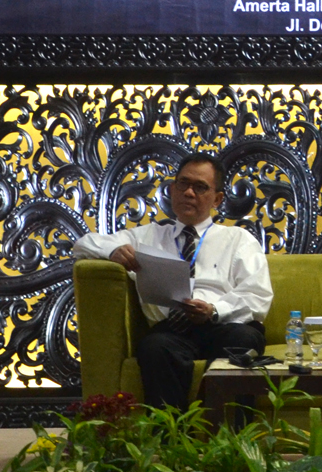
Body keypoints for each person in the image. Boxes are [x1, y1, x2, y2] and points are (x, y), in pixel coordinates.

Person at [73, 152, 272, 407]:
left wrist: (213, 310)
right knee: (154, 347)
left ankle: (219, 425)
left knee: (245, 339)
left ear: (217, 199)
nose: (189, 193)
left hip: (223, 326)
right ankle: (172, 430)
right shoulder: (147, 236)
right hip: (172, 331)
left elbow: (257, 296)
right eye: (183, 184)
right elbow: (83, 244)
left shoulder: (238, 240)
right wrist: (112, 251)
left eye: (200, 187)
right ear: (172, 189)